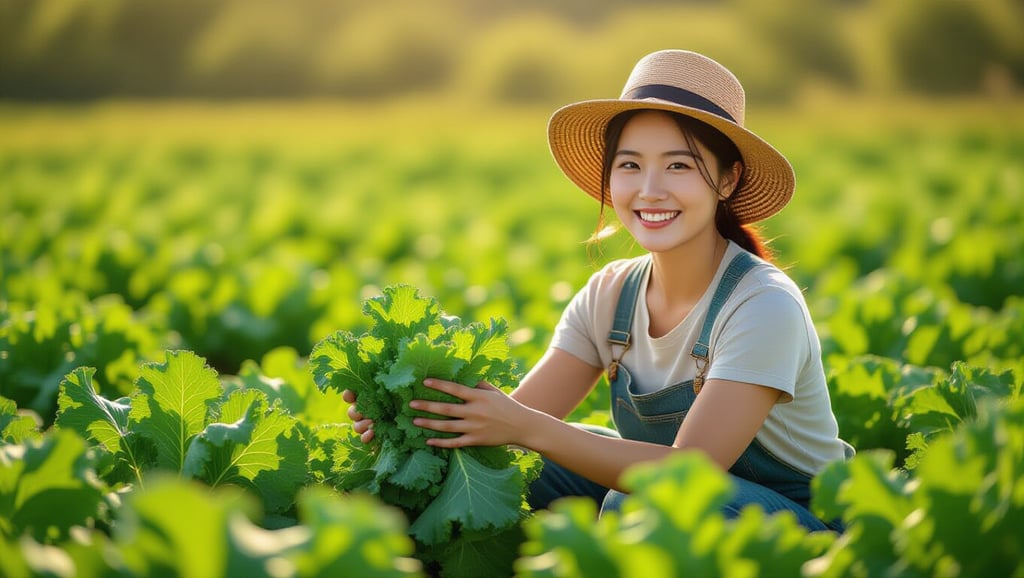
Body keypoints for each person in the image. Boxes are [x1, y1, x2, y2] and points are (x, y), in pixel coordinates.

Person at [344, 49, 853, 532]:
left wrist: (525, 426)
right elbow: (515, 424)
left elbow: (689, 472)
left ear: (727, 180)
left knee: (641, 498)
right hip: (679, 512)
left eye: (678, 165)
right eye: (630, 165)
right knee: (523, 466)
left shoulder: (762, 304)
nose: (650, 189)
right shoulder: (610, 295)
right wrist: (418, 419)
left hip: (803, 535)